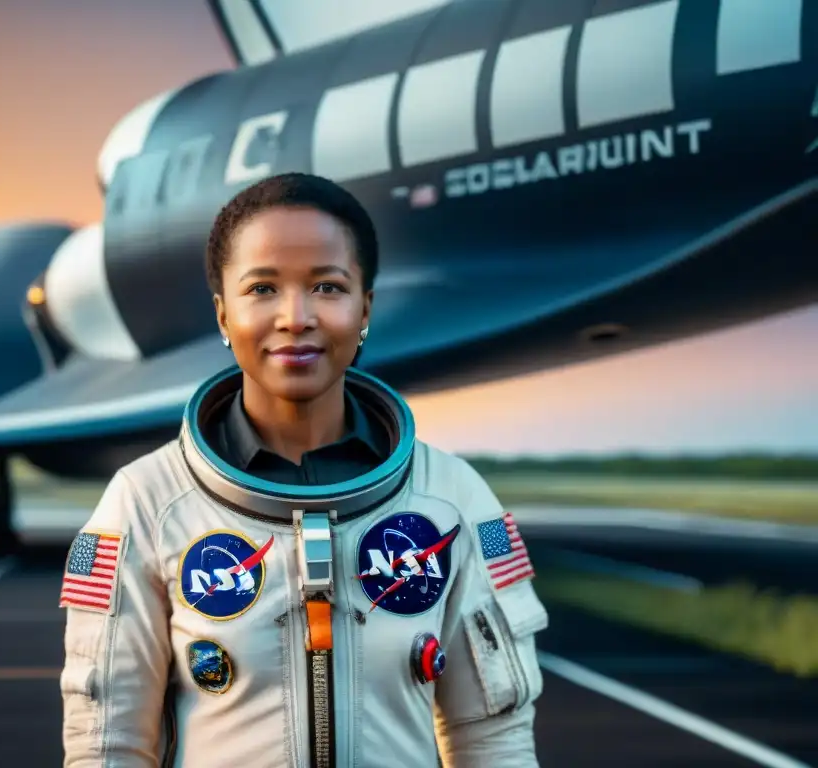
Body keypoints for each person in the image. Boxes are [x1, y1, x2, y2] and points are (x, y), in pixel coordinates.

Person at [59, 172, 548, 767]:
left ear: (365, 306)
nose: (295, 317)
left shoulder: (452, 499)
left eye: (327, 287)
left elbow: (495, 741)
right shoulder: (145, 502)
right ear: (222, 315)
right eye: (262, 289)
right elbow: (107, 747)